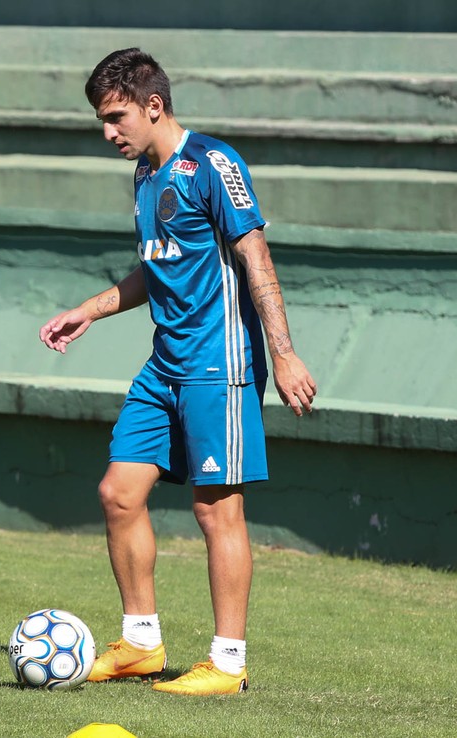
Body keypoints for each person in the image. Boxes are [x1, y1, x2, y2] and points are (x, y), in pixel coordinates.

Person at [38, 48, 317, 696]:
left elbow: (256, 259)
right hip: (164, 364)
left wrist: (283, 352)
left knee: (216, 511)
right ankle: (141, 644)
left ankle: (227, 662)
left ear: (154, 106)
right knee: (119, 493)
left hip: (218, 364)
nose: (108, 133)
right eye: (102, 121)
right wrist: (89, 310)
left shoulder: (214, 165)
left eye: (116, 117)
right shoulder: (144, 174)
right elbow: (156, 267)